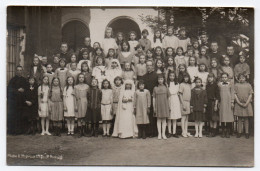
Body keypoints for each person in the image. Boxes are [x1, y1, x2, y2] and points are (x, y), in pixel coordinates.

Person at [7, 66, 28, 135]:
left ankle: (22, 130)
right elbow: (9, 90)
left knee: (22, 115)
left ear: (22, 71)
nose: (19, 71)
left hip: (22, 102)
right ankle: (14, 131)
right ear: (16, 71)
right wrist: (17, 90)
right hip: (14, 102)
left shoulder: (24, 80)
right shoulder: (12, 80)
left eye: (20, 70)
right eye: (18, 70)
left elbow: (27, 90)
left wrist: (24, 90)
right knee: (14, 116)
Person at [234, 74, 253, 139]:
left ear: (245, 78)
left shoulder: (248, 85)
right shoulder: (236, 85)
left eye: (243, 78)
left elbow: (250, 95)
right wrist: (239, 102)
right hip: (239, 104)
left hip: (247, 103)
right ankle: (239, 132)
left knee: (246, 118)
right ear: (238, 79)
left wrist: (247, 103)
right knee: (239, 118)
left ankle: (246, 132)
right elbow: (235, 94)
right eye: (240, 78)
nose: (241, 79)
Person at [143, 60, 158, 137]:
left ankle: (154, 132)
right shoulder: (144, 76)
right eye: (147, 65)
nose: (148, 67)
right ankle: (147, 131)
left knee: (153, 115)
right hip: (146, 98)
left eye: (150, 65)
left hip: (154, 97)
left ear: (153, 66)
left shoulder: (156, 76)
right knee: (147, 114)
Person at [153, 74, 170, 140]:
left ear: (163, 80)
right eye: (159, 79)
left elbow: (169, 97)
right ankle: (159, 134)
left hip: (164, 105)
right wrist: (154, 107)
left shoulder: (166, 87)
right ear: (157, 80)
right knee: (158, 120)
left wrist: (169, 106)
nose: (160, 80)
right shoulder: (155, 88)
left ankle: (163, 134)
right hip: (158, 105)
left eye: (161, 79)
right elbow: (154, 98)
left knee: (164, 120)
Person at [218, 73, 234, 138]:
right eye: (223, 77)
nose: (224, 78)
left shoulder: (230, 84)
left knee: (228, 116)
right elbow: (218, 94)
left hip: (228, 102)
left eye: (225, 77)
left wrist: (232, 102)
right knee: (222, 116)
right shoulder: (219, 84)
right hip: (222, 102)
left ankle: (228, 131)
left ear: (227, 78)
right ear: (221, 78)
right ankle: (223, 131)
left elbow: (232, 93)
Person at [74, 73, 89, 138]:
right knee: (79, 117)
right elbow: (74, 97)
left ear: (84, 78)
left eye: (82, 77)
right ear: (78, 78)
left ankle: (83, 131)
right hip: (79, 102)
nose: (81, 79)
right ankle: (80, 131)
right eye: (80, 77)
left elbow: (89, 96)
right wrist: (75, 105)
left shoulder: (87, 86)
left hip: (85, 102)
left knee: (84, 117)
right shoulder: (75, 87)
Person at [167, 71, 181, 138]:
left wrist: (171, 93)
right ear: (168, 76)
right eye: (170, 76)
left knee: (174, 117)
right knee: (169, 117)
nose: (172, 77)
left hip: (175, 99)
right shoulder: (167, 83)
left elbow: (175, 91)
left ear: (175, 76)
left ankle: (174, 132)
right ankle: (169, 132)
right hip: (169, 99)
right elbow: (168, 92)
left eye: (173, 76)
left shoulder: (177, 84)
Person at [206, 73, 220, 137]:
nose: (209, 78)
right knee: (210, 118)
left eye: (211, 77)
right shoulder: (207, 86)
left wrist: (215, 105)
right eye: (209, 77)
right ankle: (211, 131)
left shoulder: (215, 86)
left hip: (214, 102)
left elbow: (217, 96)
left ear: (213, 78)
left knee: (214, 118)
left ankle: (214, 131)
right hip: (208, 102)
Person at [179, 73, 192, 137]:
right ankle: (183, 131)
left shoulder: (189, 85)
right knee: (183, 117)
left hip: (188, 102)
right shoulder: (181, 84)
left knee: (187, 118)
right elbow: (180, 95)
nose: (186, 79)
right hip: (183, 102)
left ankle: (186, 131)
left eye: (187, 77)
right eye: (185, 77)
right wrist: (183, 104)